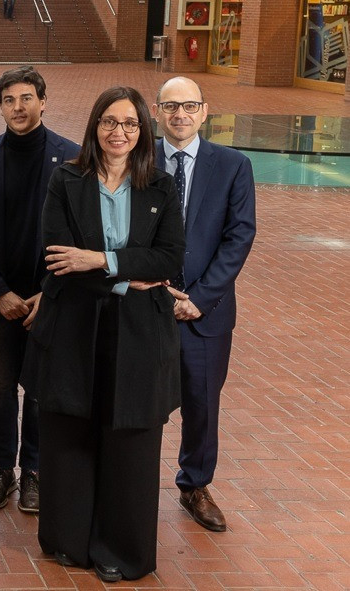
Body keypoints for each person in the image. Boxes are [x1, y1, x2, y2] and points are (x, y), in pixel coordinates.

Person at [33, 86, 186, 583]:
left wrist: (101, 259)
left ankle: (121, 549)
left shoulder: (161, 186)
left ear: (142, 131)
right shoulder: (65, 179)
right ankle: (69, 540)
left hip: (140, 332)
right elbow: (59, 258)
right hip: (75, 325)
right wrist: (129, 273)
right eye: (109, 121)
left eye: (130, 124)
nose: (118, 132)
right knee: (71, 433)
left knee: (132, 442)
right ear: (94, 125)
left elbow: (170, 260)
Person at [0, 65, 78, 514]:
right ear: (1, 107)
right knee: (2, 384)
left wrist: (49, 291)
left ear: (43, 102)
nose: (18, 107)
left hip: (51, 298)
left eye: (27, 98)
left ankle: (34, 471)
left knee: (41, 387)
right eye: (9, 100)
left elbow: (80, 234)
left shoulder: (71, 158)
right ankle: (2, 468)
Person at [153, 77, 256, 533]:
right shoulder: (137, 160)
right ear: (157, 111)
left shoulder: (233, 165)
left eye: (189, 106)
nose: (180, 115)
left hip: (204, 313)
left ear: (205, 110)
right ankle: (129, 481)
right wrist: (153, 290)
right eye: (171, 106)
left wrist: (199, 298)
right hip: (145, 305)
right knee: (139, 400)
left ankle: (194, 484)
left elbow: (239, 236)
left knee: (201, 402)